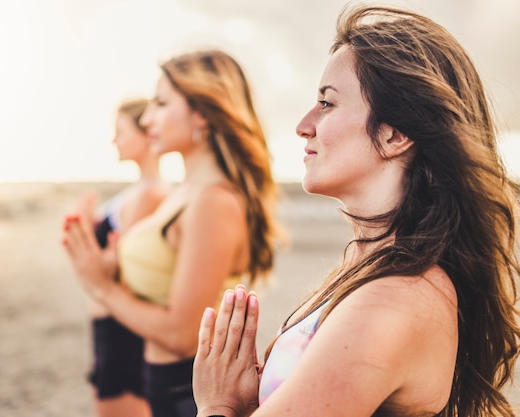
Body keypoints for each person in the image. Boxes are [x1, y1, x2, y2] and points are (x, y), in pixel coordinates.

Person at [192, 5, 520, 417]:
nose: (303, 124)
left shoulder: (396, 300)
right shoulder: (371, 267)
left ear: (395, 133)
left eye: (326, 104)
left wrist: (216, 404)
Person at [62, 49, 281, 417]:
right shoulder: (185, 193)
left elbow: (181, 336)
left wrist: (100, 285)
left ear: (204, 112)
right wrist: (110, 264)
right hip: (160, 383)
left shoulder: (215, 202)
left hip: (186, 391)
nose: (148, 119)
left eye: (161, 104)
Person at [64, 98, 168, 417]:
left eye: (120, 131)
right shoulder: (135, 192)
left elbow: (118, 271)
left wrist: (85, 244)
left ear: (145, 132)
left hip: (122, 326)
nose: (113, 140)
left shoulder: (151, 194)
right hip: (110, 320)